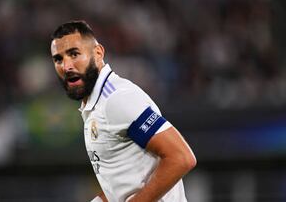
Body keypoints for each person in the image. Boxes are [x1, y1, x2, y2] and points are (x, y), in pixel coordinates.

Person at [50, 20, 196, 202]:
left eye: (74, 54)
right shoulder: (97, 103)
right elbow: (124, 187)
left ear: (98, 53)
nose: (66, 66)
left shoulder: (117, 99)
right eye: (59, 59)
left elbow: (181, 158)